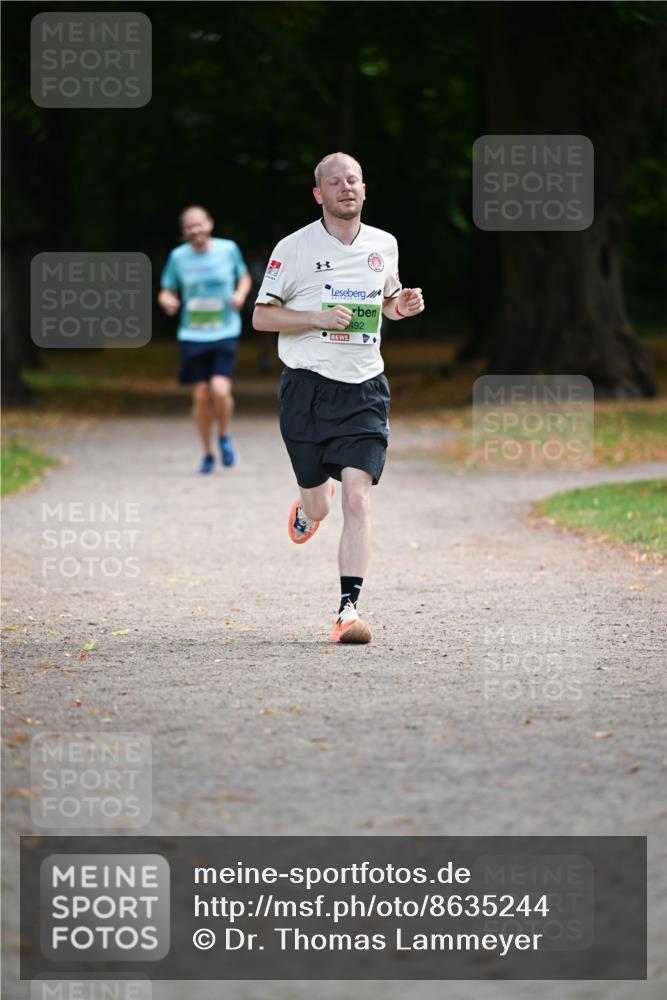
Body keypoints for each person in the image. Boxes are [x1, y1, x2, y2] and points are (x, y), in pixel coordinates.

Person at [253, 152, 425, 644]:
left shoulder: (383, 245)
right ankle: (310, 504)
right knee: (323, 505)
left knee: (358, 498)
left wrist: (402, 306)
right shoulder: (294, 247)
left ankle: (348, 611)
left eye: (353, 180)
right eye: (335, 181)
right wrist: (315, 318)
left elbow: (387, 302)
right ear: (319, 194)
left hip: (365, 388)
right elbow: (262, 318)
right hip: (307, 388)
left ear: (364, 189)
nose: (346, 187)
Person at [158, 205, 251, 473]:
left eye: (199, 224)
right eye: (189, 226)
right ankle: (208, 452)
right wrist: (167, 301)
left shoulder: (228, 249)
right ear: (184, 231)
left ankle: (224, 435)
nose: (195, 230)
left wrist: (240, 294)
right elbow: (166, 289)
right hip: (192, 334)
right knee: (200, 395)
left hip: (225, 330)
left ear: (210, 224)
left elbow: (243, 276)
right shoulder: (178, 257)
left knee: (220, 391)